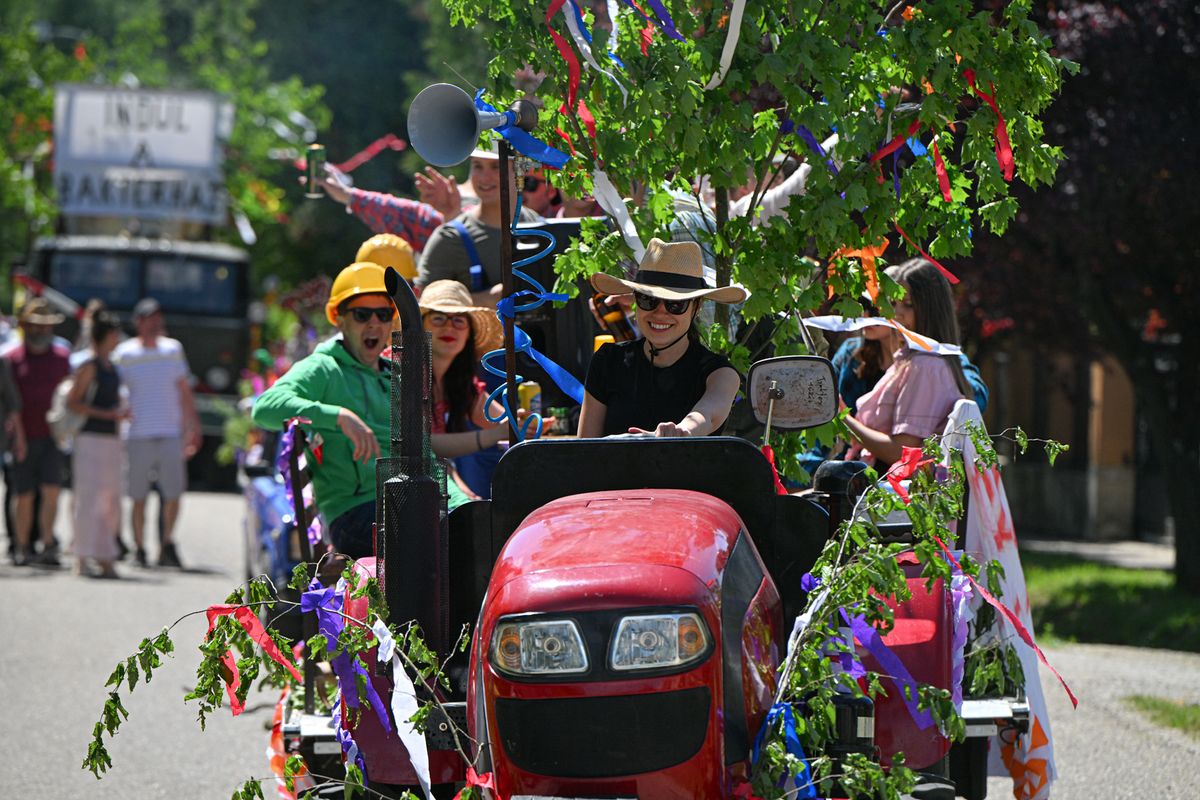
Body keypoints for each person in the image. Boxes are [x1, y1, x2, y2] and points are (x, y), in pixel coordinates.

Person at [252, 263, 472, 559]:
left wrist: (464, 508)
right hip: (357, 515)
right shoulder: (323, 369)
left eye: (382, 315)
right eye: (361, 314)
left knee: (479, 530)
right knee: (436, 539)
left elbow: (425, 460)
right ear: (339, 320)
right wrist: (338, 417)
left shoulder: (396, 375)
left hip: (409, 506)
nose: (374, 323)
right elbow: (264, 408)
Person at [579, 238, 747, 438]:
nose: (659, 313)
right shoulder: (607, 360)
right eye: (647, 299)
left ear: (696, 307)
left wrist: (679, 432)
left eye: (675, 304)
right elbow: (585, 450)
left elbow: (708, 415)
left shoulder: (720, 373)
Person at [842, 259, 975, 467]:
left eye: (909, 305)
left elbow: (903, 452)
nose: (897, 314)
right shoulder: (913, 359)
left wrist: (842, 417)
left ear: (932, 309)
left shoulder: (926, 365)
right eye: (893, 303)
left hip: (896, 492)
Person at [113, 298, 203, 568]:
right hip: (138, 433)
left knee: (173, 494)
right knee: (138, 496)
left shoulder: (172, 350)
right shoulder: (124, 353)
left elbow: (184, 390)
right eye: (148, 318)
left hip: (169, 432)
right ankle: (139, 547)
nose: (154, 323)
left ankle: (165, 544)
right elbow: (116, 391)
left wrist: (193, 426)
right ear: (137, 322)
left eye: (157, 318)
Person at [416, 141, 540, 307]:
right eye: (477, 166)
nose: (484, 177)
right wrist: (483, 300)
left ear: (521, 171)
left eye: (496, 166)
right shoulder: (449, 239)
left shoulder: (541, 228)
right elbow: (422, 310)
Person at [418, 281, 511, 499]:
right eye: (438, 318)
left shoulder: (460, 382)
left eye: (459, 320)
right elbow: (422, 445)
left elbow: (505, 423)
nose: (449, 327)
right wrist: (494, 435)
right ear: (421, 326)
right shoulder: (399, 371)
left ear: (469, 333)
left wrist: (529, 424)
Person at [6, 298, 71, 566]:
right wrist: (16, 436)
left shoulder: (61, 358)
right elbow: (9, 402)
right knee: (23, 494)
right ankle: (22, 547)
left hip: (52, 435)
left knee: (51, 490)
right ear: (24, 326)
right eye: (35, 325)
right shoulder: (10, 358)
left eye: (45, 326)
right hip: (21, 436)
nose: (41, 331)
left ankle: (47, 543)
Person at [66, 312, 127, 578]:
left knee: (110, 499)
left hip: (111, 439)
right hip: (89, 438)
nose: (117, 339)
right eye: (114, 334)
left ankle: (105, 554)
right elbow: (74, 401)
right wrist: (108, 414)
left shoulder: (112, 367)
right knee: (87, 497)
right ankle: (81, 555)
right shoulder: (89, 366)